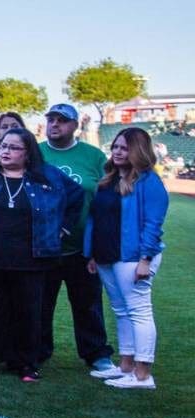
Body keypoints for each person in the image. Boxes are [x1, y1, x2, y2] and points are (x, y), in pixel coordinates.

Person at [0, 128, 82, 382]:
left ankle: (27, 363)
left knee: (29, 312)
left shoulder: (48, 177)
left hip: (32, 258)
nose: (6, 151)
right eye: (3, 146)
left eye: (13, 148)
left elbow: (77, 195)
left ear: (28, 153)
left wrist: (62, 227)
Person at [85, 128, 169, 389]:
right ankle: (126, 367)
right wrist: (91, 253)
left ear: (139, 151)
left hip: (133, 257)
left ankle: (143, 374)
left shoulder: (149, 182)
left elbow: (153, 224)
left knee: (139, 312)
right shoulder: (107, 180)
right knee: (121, 312)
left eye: (124, 148)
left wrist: (145, 258)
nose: (118, 152)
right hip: (107, 255)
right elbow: (94, 218)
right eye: (116, 147)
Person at [38, 103, 116, 374]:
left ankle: (96, 353)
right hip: (43, 246)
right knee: (39, 304)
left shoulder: (93, 156)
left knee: (87, 305)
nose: (55, 125)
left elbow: (105, 199)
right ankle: (37, 351)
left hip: (82, 246)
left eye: (62, 120)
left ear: (75, 126)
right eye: (51, 120)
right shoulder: (36, 153)